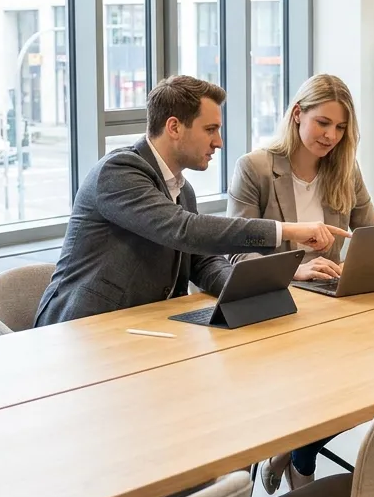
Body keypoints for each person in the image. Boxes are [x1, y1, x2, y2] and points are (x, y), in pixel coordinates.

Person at [35, 74, 349, 328]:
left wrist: (257, 292)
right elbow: (185, 231)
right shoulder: (118, 173)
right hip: (82, 330)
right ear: (174, 127)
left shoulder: (183, 192)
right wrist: (288, 231)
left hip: (147, 328)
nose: (219, 142)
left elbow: (204, 260)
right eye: (210, 129)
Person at [227, 74, 374, 493]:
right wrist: (295, 270)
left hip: (331, 310)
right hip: (276, 310)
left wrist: (362, 265)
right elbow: (234, 253)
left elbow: (373, 236)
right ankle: (301, 463)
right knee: (333, 387)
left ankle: (293, 453)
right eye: (323, 123)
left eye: (341, 127)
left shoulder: (345, 171)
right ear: (297, 115)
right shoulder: (256, 169)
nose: (331, 135)